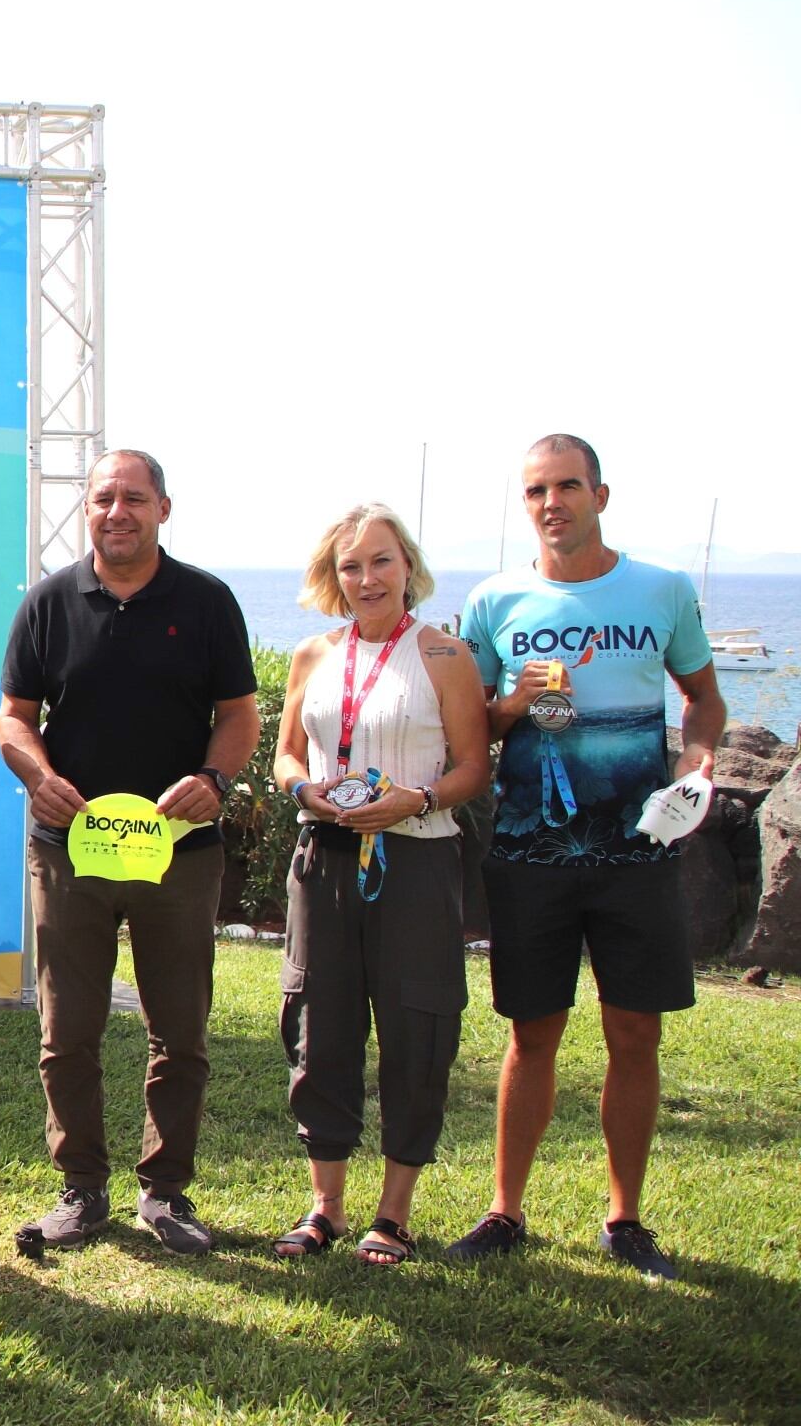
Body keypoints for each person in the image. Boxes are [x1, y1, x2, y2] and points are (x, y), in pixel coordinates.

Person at [446, 434, 722, 1279]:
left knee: (635, 1032)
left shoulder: (664, 589)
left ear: (602, 494)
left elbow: (703, 701)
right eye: (536, 490)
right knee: (534, 1035)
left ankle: (625, 1219)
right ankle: (505, 1212)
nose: (552, 503)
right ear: (523, 503)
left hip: (637, 852)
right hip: (530, 851)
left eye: (568, 486)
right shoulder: (494, 601)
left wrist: (698, 762)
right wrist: (510, 703)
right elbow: (471, 726)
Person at [0, 448, 260, 1254]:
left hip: (178, 855)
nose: (118, 512)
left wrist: (215, 778)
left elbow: (240, 713)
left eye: (134, 500)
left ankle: (166, 1193)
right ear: (88, 508)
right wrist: (36, 775)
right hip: (69, 852)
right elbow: (13, 717)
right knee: (66, 1031)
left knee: (179, 1031)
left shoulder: (208, 602)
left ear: (163, 510)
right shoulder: (47, 602)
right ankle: (80, 1191)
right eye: (104, 498)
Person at [267, 505, 489, 1265]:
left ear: (408, 567)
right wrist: (305, 794)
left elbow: (471, 767)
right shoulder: (311, 655)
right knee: (317, 1024)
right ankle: (323, 1206)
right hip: (324, 857)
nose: (366, 578)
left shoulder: (445, 657)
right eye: (350, 566)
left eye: (381, 562)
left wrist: (416, 801)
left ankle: (393, 1215)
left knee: (416, 1029)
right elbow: (287, 756)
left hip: (417, 859)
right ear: (333, 578)